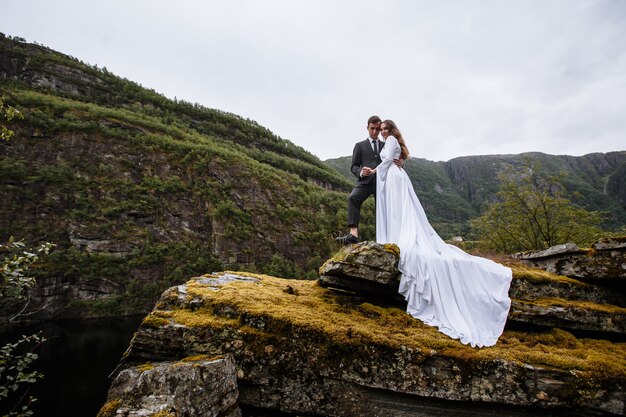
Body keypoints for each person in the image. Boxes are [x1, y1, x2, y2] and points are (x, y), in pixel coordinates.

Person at [372, 120, 512, 348]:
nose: (384, 132)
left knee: (398, 212)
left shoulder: (389, 141)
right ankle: (396, 236)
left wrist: (373, 171)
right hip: (398, 178)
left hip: (394, 179)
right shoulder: (394, 142)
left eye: (387, 129)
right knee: (401, 212)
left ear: (391, 130)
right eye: (383, 129)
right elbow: (394, 158)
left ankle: (396, 237)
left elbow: (387, 160)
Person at [336, 115, 402, 245]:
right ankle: (353, 234)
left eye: (377, 129)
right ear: (367, 127)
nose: (375, 132)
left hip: (383, 182)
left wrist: (401, 163)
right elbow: (354, 166)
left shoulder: (387, 142)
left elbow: (394, 157)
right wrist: (361, 172)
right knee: (353, 198)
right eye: (372, 128)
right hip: (365, 181)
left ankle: (388, 238)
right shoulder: (359, 146)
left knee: (385, 208)